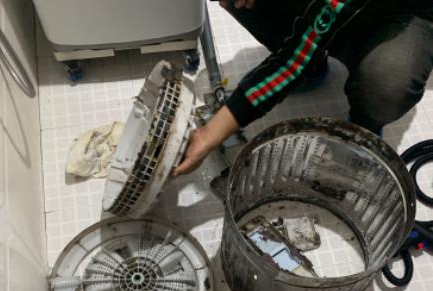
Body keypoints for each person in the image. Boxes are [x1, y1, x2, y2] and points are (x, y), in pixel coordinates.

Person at [175, 0, 433, 176]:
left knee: (388, 83)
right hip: (336, 9)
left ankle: (366, 121)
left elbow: (294, 60)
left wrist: (209, 135)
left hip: (406, 15)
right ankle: (313, 70)